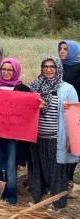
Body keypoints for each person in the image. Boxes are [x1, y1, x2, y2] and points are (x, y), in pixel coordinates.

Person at [28, 56, 79, 212]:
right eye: (45, 66)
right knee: (37, 169)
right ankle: (39, 198)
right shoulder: (35, 87)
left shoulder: (67, 89)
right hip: (36, 137)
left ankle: (58, 204)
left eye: (52, 66)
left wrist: (72, 139)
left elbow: (75, 117)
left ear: (58, 69)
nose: (48, 69)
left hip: (56, 138)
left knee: (56, 172)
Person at [0, 57, 31, 204]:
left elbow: (29, 109)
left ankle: (10, 196)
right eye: (3, 69)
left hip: (13, 136)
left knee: (11, 166)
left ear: (15, 71)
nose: (6, 72)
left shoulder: (24, 89)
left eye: (10, 70)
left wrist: (38, 106)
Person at [58, 40, 80, 189]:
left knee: (73, 144)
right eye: (60, 48)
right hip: (59, 110)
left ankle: (69, 178)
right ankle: (60, 176)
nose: (62, 51)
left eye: (65, 49)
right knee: (61, 142)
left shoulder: (78, 68)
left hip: (75, 111)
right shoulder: (57, 66)